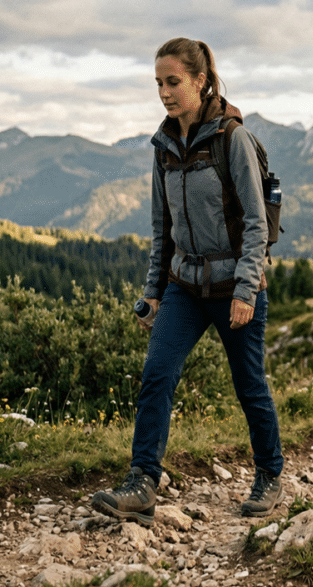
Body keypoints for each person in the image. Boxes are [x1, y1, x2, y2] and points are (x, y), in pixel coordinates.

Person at [91, 37, 283, 524]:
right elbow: (163, 230)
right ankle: (141, 483)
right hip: (184, 287)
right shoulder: (163, 147)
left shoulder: (230, 139)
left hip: (234, 285)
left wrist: (245, 289)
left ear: (200, 81)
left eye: (173, 81)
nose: (164, 92)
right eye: (158, 83)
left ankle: (270, 473)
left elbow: (257, 223)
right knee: (157, 374)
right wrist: (152, 293)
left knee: (248, 385)